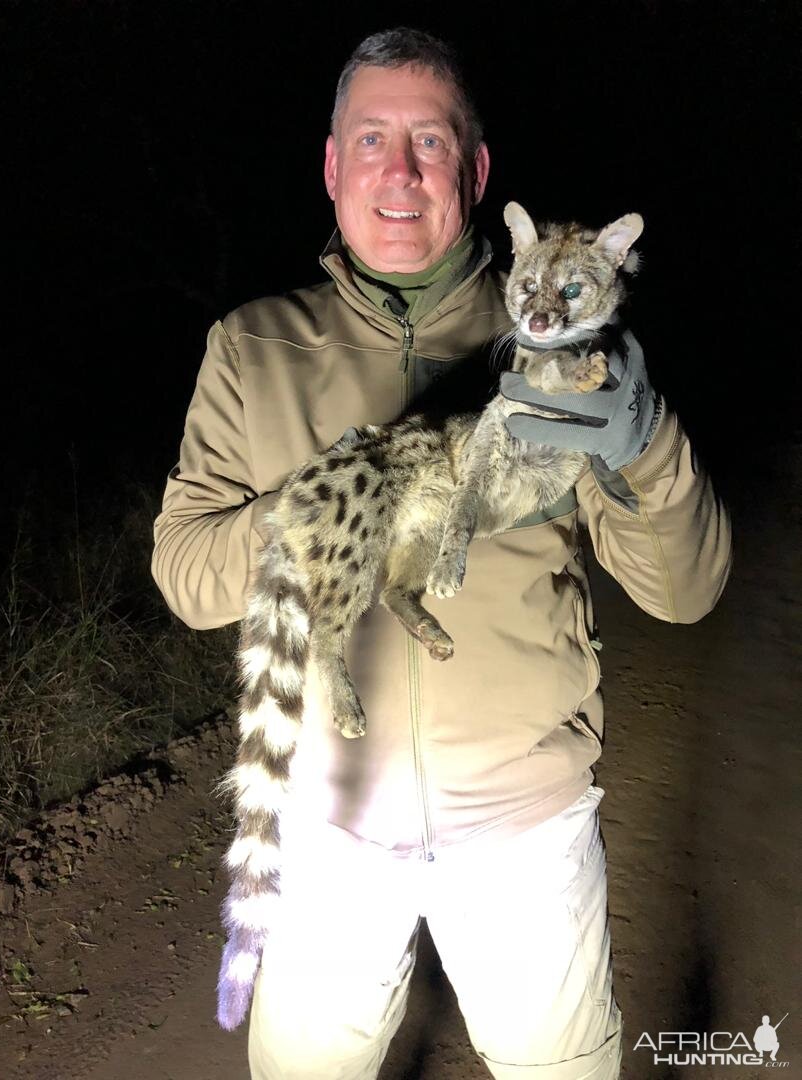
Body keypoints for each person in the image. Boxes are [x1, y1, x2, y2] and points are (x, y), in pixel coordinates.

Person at [151, 28, 732, 1080]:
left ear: (474, 170)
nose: (402, 169)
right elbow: (188, 576)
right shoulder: (251, 347)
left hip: (524, 836)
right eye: (372, 138)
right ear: (333, 167)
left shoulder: (553, 357)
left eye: (431, 139)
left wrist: (646, 438)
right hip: (327, 836)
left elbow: (687, 591)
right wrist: (344, 495)